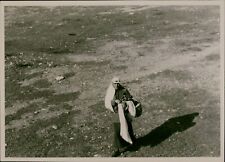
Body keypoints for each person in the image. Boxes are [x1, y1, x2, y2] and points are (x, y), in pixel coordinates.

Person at [105, 76, 137, 157]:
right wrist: (114, 102)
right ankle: (117, 148)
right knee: (117, 129)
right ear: (112, 84)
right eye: (115, 84)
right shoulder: (110, 92)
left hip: (125, 112)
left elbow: (130, 99)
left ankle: (132, 142)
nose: (116, 85)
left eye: (117, 83)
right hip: (116, 113)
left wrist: (125, 103)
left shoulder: (124, 90)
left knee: (128, 127)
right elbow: (107, 103)